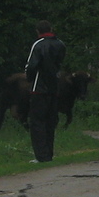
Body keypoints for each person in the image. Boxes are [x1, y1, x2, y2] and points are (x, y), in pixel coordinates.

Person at [25, 20, 65, 162]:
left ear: (38, 31)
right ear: (51, 28)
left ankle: (41, 156)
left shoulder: (38, 44)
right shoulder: (60, 44)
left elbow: (31, 66)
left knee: (37, 122)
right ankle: (49, 153)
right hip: (54, 87)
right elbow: (59, 63)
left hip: (39, 88)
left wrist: (29, 79)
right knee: (50, 121)